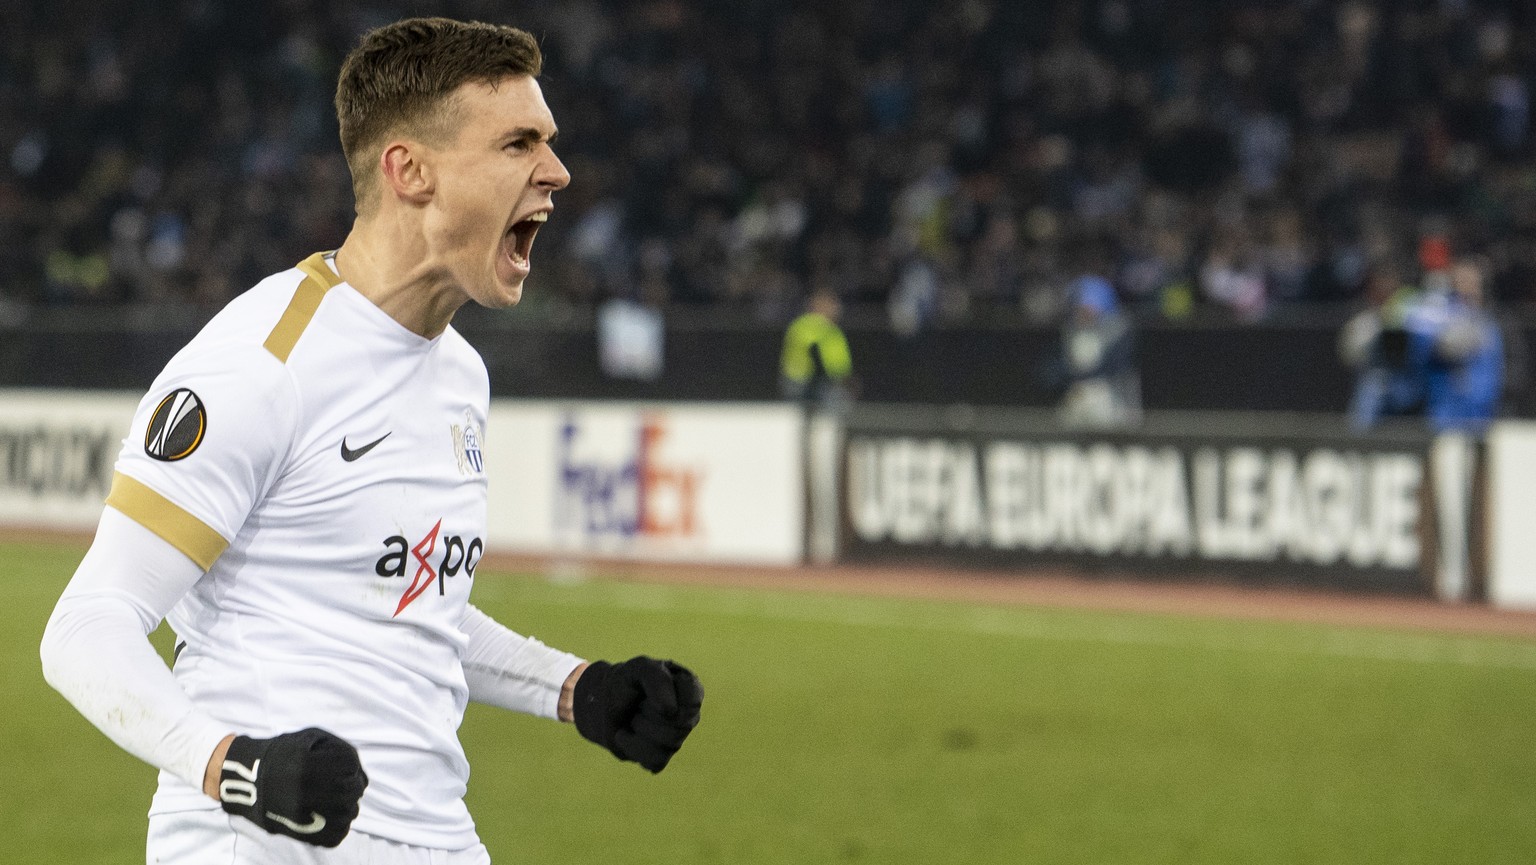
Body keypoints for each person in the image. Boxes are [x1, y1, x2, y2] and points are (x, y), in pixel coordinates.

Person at [39, 18, 703, 865]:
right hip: (254, 842)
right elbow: (86, 625)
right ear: (410, 171)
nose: (556, 171)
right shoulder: (260, 363)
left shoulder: (460, 374)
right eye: (518, 143)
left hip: (435, 840)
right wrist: (235, 767)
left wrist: (576, 689)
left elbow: (403, 606)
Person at [1055, 273, 1140, 428]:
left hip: (1113, 398)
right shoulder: (1073, 330)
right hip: (1079, 395)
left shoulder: (1118, 329)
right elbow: (1067, 368)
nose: (1082, 314)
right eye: (1079, 309)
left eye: (1087, 308)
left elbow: (1114, 370)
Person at [780, 288, 855, 412]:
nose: (836, 308)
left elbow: (838, 359)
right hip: (804, 382)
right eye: (831, 304)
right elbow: (815, 353)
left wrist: (846, 377)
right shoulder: (806, 326)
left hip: (827, 381)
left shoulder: (832, 329)